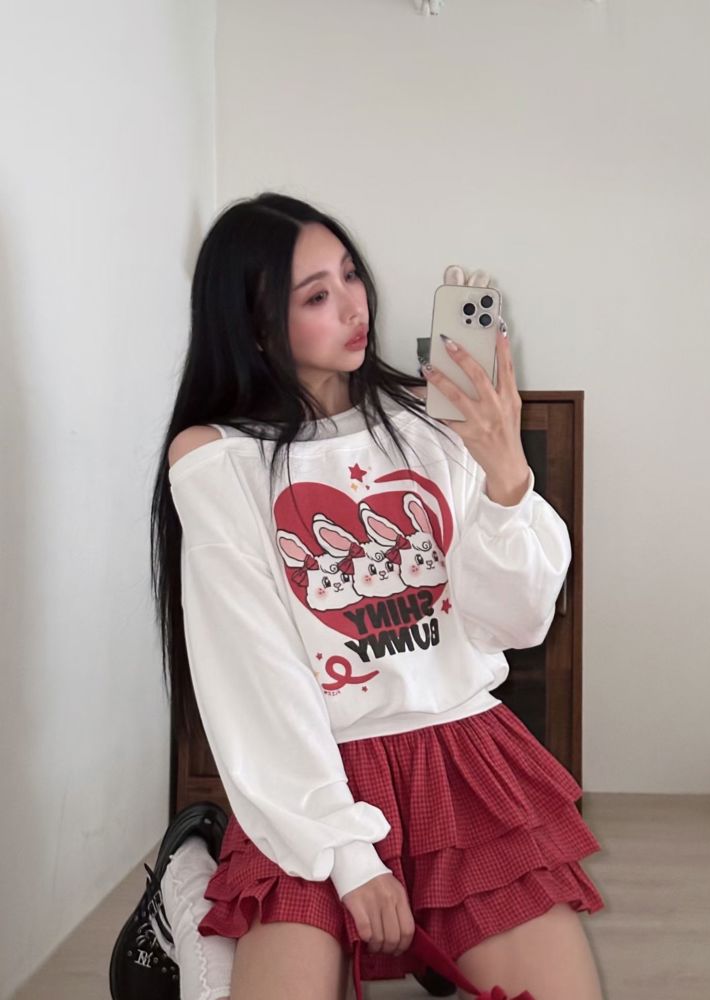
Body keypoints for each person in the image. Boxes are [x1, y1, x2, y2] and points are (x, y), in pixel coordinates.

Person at [112, 192, 605, 1000]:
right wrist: (346, 855)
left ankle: (436, 938)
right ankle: (189, 891)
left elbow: (514, 624)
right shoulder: (218, 459)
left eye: (350, 275)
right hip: (311, 771)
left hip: (461, 764)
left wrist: (506, 474)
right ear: (256, 325)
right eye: (316, 295)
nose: (353, 306)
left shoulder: (433, 422)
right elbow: (255, 672)